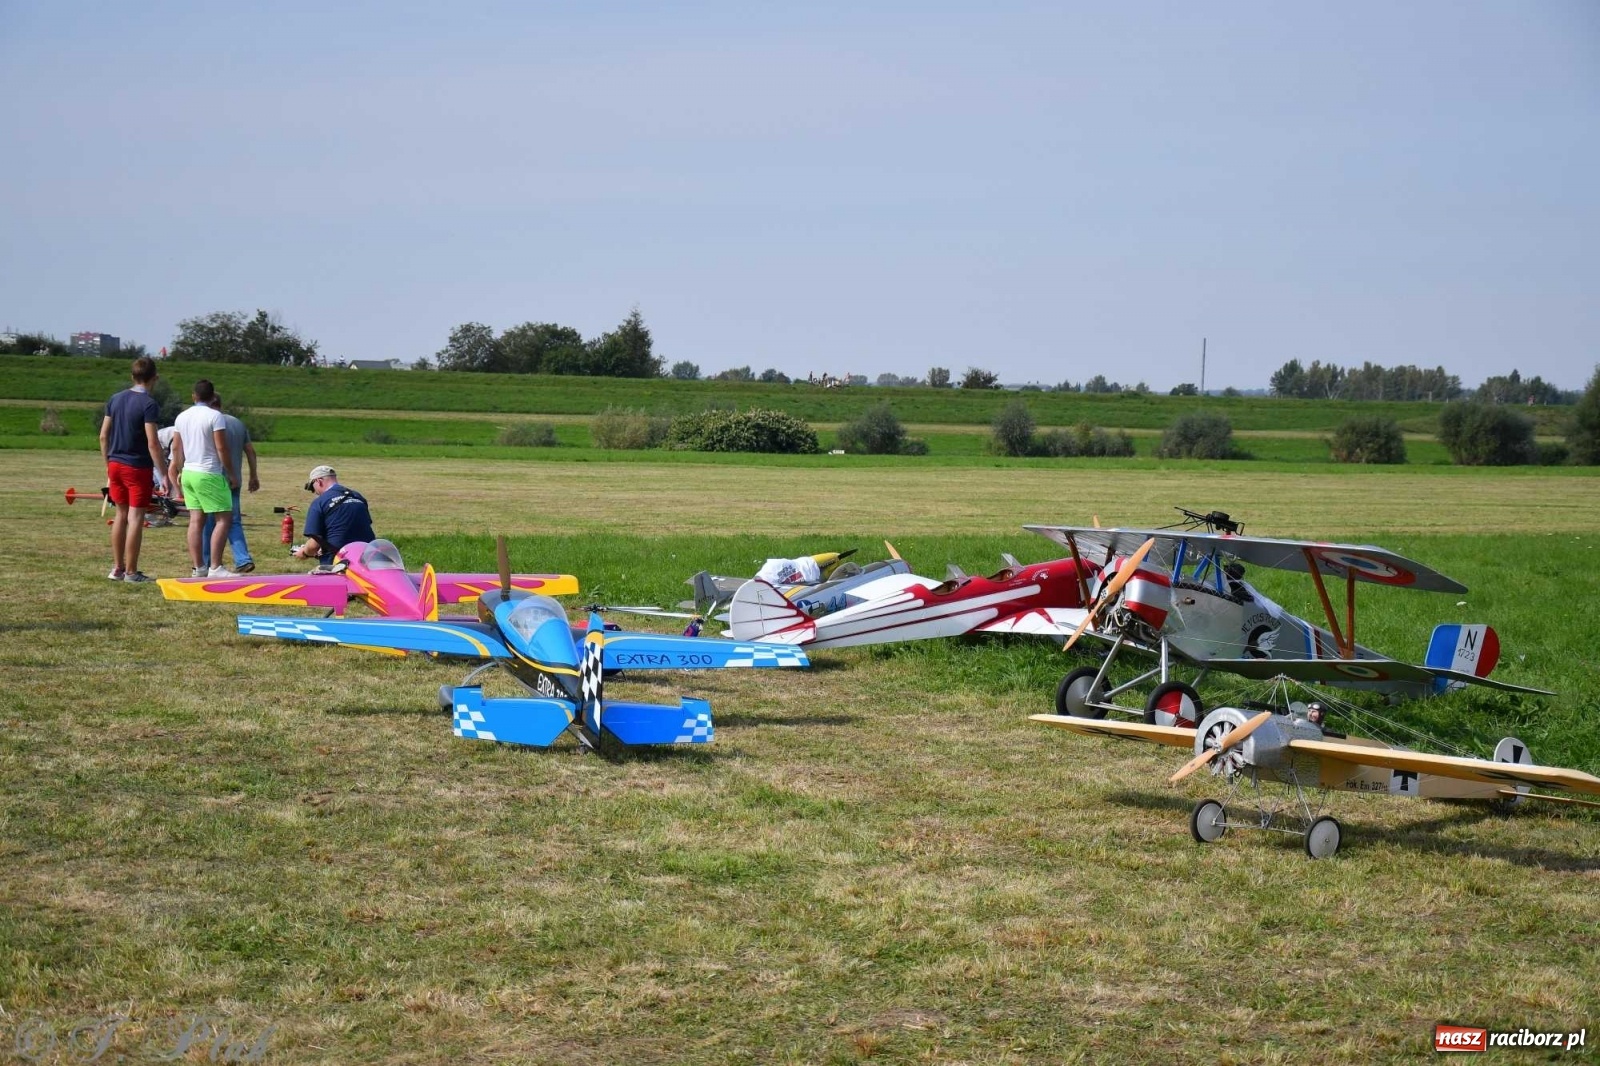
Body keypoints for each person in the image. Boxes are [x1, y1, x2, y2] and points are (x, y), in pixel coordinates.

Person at [98, 355, 167, 583]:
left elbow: (103, 436)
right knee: (136, 517)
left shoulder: (115, 399)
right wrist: (164, 475)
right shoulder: (148, 404)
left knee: (120, 515)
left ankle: (117, 568)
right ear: (154, 378)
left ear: (132, 376)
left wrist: (108, 465)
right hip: (137, 467)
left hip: (115, 464)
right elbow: (152, 443)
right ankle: (132, 572)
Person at [167, 379, 239, 578]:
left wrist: (180, 468)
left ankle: (198, 567)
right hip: (209, 472)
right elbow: (221, 447)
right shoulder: (215, 416)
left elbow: (175, 447)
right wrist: (232, 473)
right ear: (213, 396)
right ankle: (216, 567)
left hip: (189, 472)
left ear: (194, 396)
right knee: (224, 519)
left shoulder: (182, 416)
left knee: (195, 521)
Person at [198, 392, 260, 573]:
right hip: (235, 480)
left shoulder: (209, 422)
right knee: (233, 520)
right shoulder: (237, 423)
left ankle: (208, 562)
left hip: (214, 478)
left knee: (209, 522)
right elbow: (250, 451)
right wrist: (253, 475)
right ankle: (242, 558)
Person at [292, 464, 375, 569]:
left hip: (337, 562)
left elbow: (313, 545)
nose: (315, 493)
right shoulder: (358, 497)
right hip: (367, 557)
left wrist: (304, 553)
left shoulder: (320, 502)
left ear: (318, 481)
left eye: (313, 488)